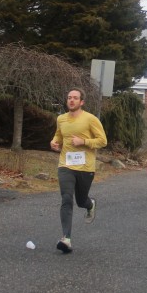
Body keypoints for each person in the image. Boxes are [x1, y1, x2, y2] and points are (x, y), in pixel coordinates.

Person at [50, 88, 107, 254]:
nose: (71, 100)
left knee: (81, 201)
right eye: (69, 97)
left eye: (75, 98)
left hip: (85, 167)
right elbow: (58, 136)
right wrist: (54, 142)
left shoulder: (90, 119)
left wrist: (83, 141)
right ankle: (66, 239)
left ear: (82, 102)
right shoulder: (61, 119)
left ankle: (90, 204)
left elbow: (102, 141)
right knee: (66, 198)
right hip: (65, 165)